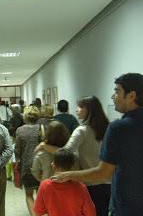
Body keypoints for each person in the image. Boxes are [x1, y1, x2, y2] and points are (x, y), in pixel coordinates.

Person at [51, 73, 143, 215]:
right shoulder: (109, 126)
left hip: (127, 205)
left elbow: (103, 173)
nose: (113, 96)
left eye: (117, 91)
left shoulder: (119, 127)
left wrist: (67, 175)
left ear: (131, 95)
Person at [37, 95, 110, 215]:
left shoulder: (82, 130)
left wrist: (45, 146)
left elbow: (65, 152)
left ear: (89, 110)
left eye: (80, 107)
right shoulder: (108, 127)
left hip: (90, 181)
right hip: (109, 181)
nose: (77, 109)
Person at [34, 149, 95, 216]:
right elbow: (90, 213)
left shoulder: (45, 185)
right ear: (72, 167)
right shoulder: (80, 187)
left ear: (53, 166)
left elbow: (38, 211)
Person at [14, 106, 41, 216]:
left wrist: (17, 161)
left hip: (26, 165)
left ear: (25, 116)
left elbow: (17, 150)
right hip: (41, 165)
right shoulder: (42, 128)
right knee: (41, 193)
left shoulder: (20, 130)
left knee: (29, 194)